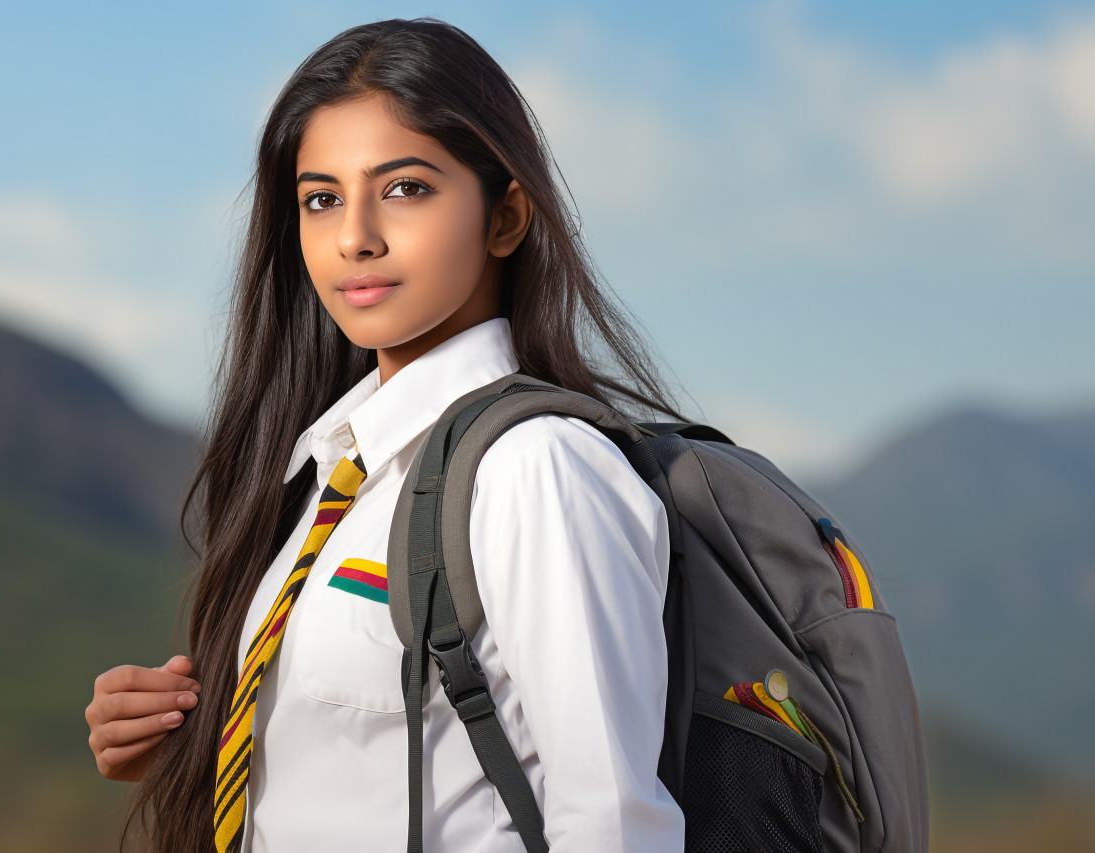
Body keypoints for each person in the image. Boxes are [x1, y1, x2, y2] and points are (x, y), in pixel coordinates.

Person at [84, 17, 692, 852]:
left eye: (405, 188)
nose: (353, 236)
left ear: (506, 216)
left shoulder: (537, 468)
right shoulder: (333, 472)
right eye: (321, 198)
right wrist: (188, 739)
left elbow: (615, 824)